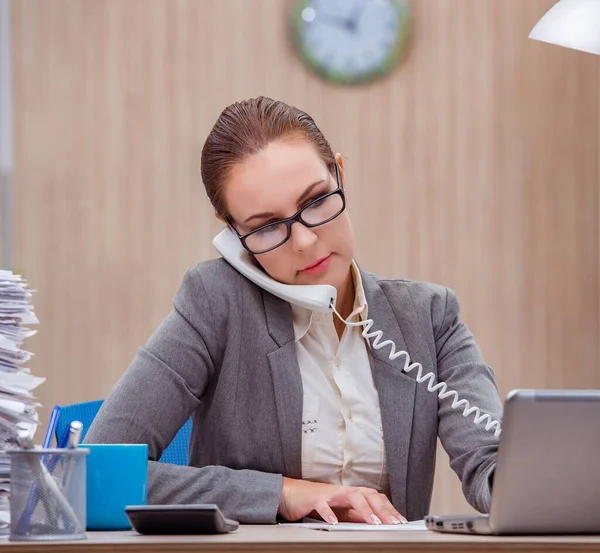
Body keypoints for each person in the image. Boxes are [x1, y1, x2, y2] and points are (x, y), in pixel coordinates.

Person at [85, 96, 503, 526]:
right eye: (266, 227)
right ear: (231, 233)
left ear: (340, 173)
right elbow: (90, 473)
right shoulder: (215, 302)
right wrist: (281, 493)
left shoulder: (429, 316)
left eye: (317, 201)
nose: (303, 242)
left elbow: (493, 468)